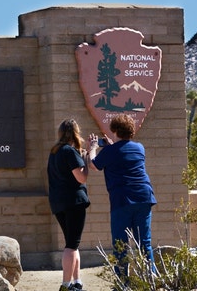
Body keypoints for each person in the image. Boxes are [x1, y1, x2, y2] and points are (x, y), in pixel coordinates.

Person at [87, 114, 157, 279]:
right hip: (144, 198)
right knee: (144, 242)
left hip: (122, 200)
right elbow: (123, 155)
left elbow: (93, 165)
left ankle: (122, 282)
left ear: (115, 130)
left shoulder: (110, 151)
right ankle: (150, 279)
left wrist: (92, 148)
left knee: (120, 244)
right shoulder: (139, 147)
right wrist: (112, 147)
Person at [47, 119, 91, 291]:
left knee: (73, 242)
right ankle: (66, 285)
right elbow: (81, 177)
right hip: (74, 202)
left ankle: (77, 281)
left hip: (59, 203)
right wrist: (86, 158)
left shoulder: (55, 152)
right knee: (71, 245)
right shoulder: (69, 151)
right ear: (76, 133)